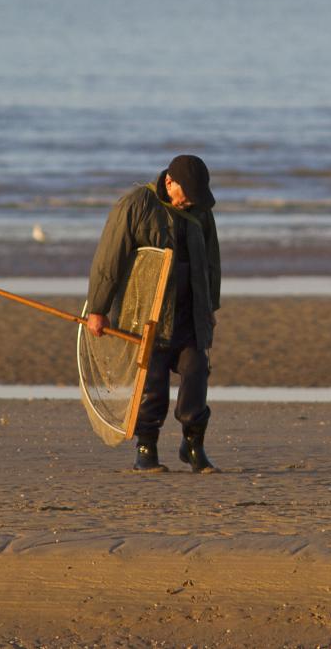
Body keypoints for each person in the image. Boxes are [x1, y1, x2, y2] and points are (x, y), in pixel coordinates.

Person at [85, 154, 221, 473]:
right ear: (169, 182)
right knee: (152, 384)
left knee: (197, 371)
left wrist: (211, 307)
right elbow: (109, 258)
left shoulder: (200, 209)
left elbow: (212, 261)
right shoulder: (136, 205)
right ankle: (146, 450)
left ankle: (193, 445)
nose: (189, 203)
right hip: (149, 315)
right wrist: (98, 309)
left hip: (190, 312)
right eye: (185, 196)